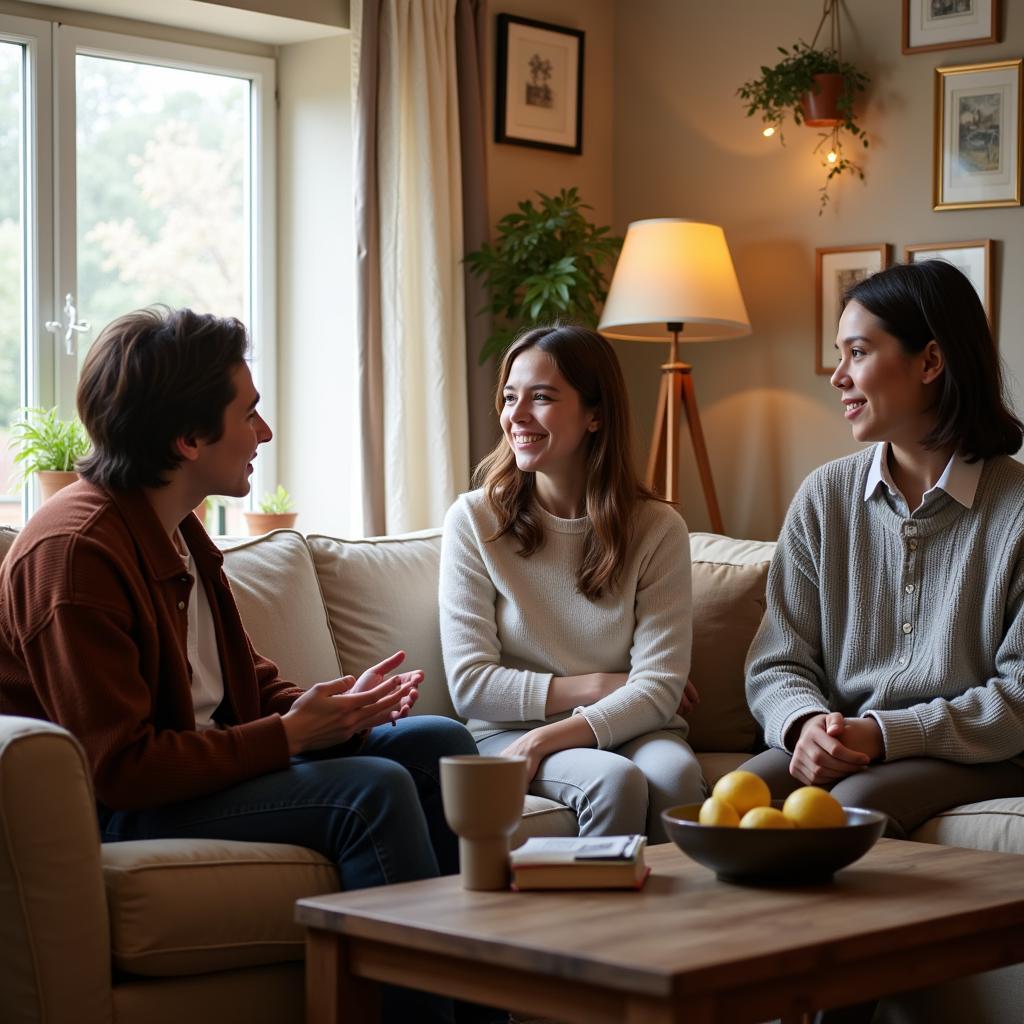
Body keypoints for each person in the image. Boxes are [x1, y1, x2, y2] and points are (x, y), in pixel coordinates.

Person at [0, 306, 483, 1024]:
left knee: (436, 743)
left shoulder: (177, 526)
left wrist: (327, 707)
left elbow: (237, 682)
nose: (265, 433)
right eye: (249, 413)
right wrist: (291, 736)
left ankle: (478, 1011)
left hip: (190, 772)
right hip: (120, 807)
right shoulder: (74, 554)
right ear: (187, 438)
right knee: (369, 792)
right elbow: (120, 769)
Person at [743, 260, 1024, 842]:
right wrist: (803, 726)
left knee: (852, 810)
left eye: (859, 353)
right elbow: (778, 659)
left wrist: (886, 734)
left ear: (929, 361)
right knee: (733, 801)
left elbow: (1018, 696)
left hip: (979, 753)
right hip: (848, 740)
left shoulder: (1016, 509)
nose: (838, 376)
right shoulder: (825, 495)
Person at [439, 324, 704, 843]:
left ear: (595, 414)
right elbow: (471, 686)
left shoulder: (656, 528)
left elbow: (659, 690)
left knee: (675, 777)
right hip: (508, 734)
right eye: (510, 397)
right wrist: (602, 683)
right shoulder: (474, 521)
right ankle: (592, 925)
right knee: (614, 781)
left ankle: (684, 926)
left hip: (626, 728)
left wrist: (555, 733)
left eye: (541, 398)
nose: (516, 416)